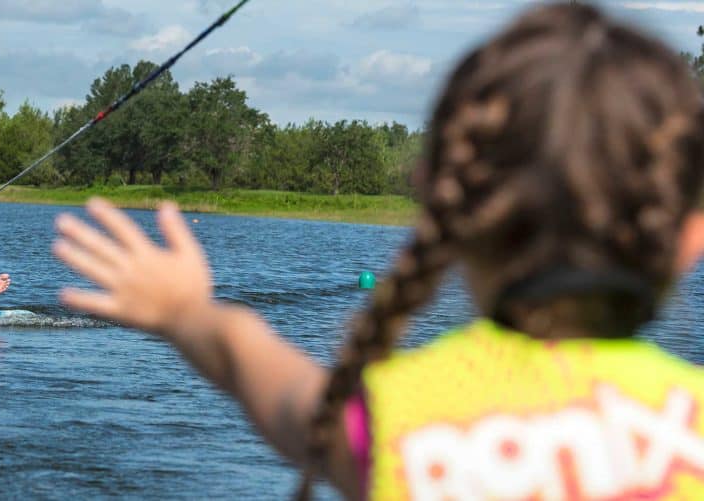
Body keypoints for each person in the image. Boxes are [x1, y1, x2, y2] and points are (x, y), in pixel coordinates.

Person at [52, 3, 704, 499]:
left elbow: (253, 361)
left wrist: (184, 312)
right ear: (692, 233)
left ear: (438, 202)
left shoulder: (396, 419)